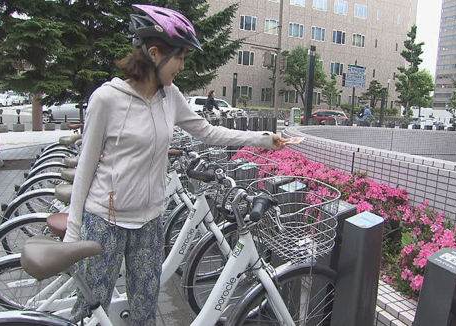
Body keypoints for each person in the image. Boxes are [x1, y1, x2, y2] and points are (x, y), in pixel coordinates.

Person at [63, 4, 289, 325]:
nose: (182, 66)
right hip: (106, 222)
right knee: (90, 311)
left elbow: (207, 131)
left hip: (149, 223)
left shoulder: (171, 96)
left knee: (144, 311)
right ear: (154, 53)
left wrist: (262, 138)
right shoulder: (107, 99)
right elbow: (85, 168)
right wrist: (73, 232)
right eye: (180, 57)